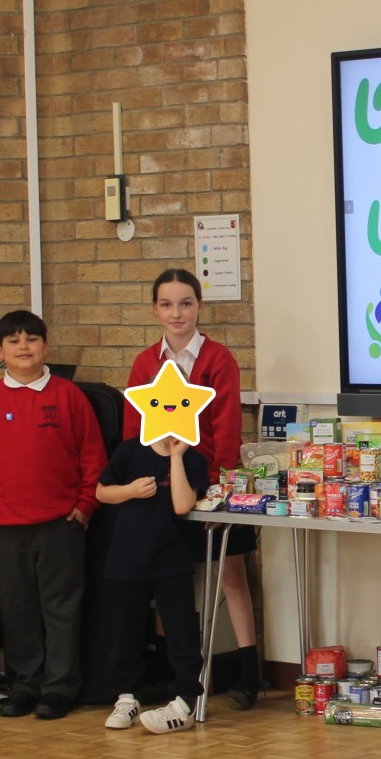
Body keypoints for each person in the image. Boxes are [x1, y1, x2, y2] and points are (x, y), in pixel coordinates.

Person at [0, 310, 107, 720]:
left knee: (61, 610)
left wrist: (82, 509)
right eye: (14, 341)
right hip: (4, 528)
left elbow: (92, 456)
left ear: (46, 345)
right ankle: (24, 686)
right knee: (18, 609)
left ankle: (59, 688)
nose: (23, 347)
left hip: (61, 526)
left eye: (32, 339)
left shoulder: (68, 396)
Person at [124, 268, 261, 708]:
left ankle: (249, 674)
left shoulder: (218, 359)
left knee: (233, 578)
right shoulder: (146, 363)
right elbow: (135, 430)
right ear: (155, 310)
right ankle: (173, 675)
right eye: (166, 304)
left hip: (209, 486)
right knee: (170, 582)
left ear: (199, 306)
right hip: (161, 488)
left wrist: (213, 493)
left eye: (185, 303)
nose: (176, 313)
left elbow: (226, 431)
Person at [97, 434, 209, 735]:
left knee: (181, 631)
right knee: (125, 631)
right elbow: (102, 493)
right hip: (127, 556)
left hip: (171, 558)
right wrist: (130, 491)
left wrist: (175, 457)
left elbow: (183, 504)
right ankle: (126, 697)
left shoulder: (192, 458)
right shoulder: (130, 451)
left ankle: (186, 700)